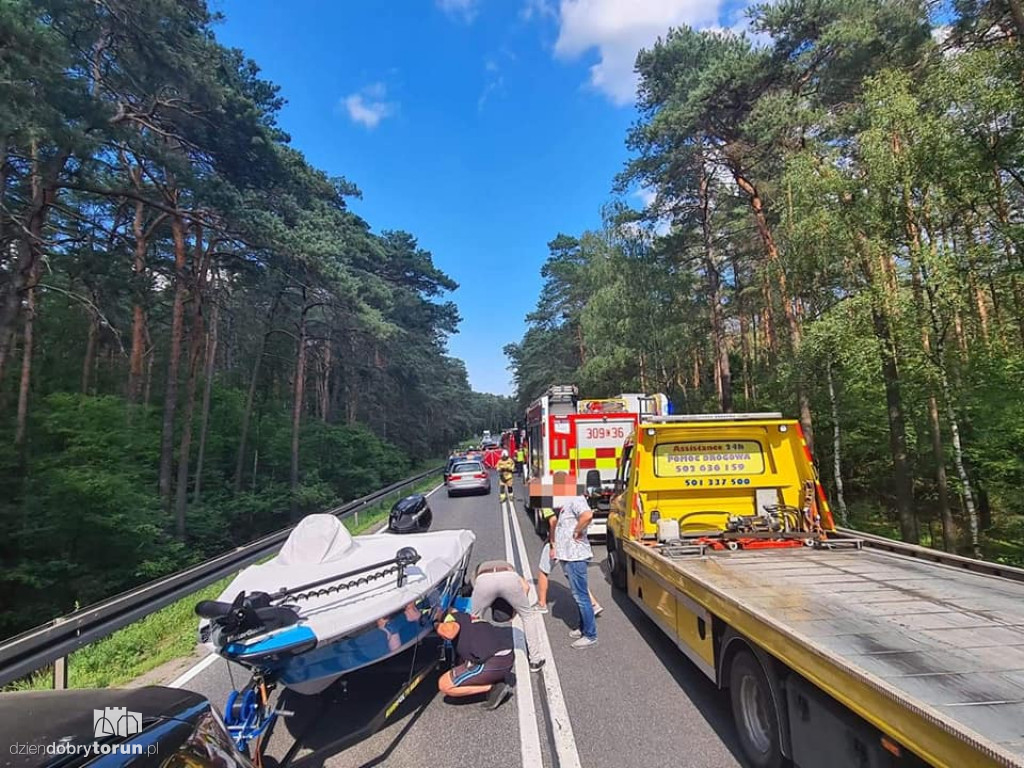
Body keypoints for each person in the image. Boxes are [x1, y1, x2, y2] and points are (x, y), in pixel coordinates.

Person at [469, 560, 545, 672]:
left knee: (475, 619)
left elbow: (478, 593)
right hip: (508, 577)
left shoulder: (475, 574)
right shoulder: (510, 569)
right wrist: (516, 610)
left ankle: (473, 660)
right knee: (527, 616)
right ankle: (535, 660)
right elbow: (526, 587)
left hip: (483, 579)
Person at [436, 610, 514, 710]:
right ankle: (495, 678)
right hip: (506, 657)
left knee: (444, 685)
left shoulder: (453, 618)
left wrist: (436, 625)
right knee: (462, 663)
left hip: (493, 662)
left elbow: (449, 633)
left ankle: (493, 688)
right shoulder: (471, 619)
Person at [535, 509, 603, 618]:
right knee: (573, 575)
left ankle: (541, 604)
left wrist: (553, 545)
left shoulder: (546, 501)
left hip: (557, 541)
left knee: (543, 571)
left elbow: (553, 521)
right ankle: (593, 603)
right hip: (570, 541)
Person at [553, 491, 598, 649]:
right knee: (578, 595)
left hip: (576, 556)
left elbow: (587, 515)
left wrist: (577, 531)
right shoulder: (567, 502)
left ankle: (590, 634)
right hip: (569, 555)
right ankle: (583, 627)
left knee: (581, 596)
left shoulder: (576, 499)